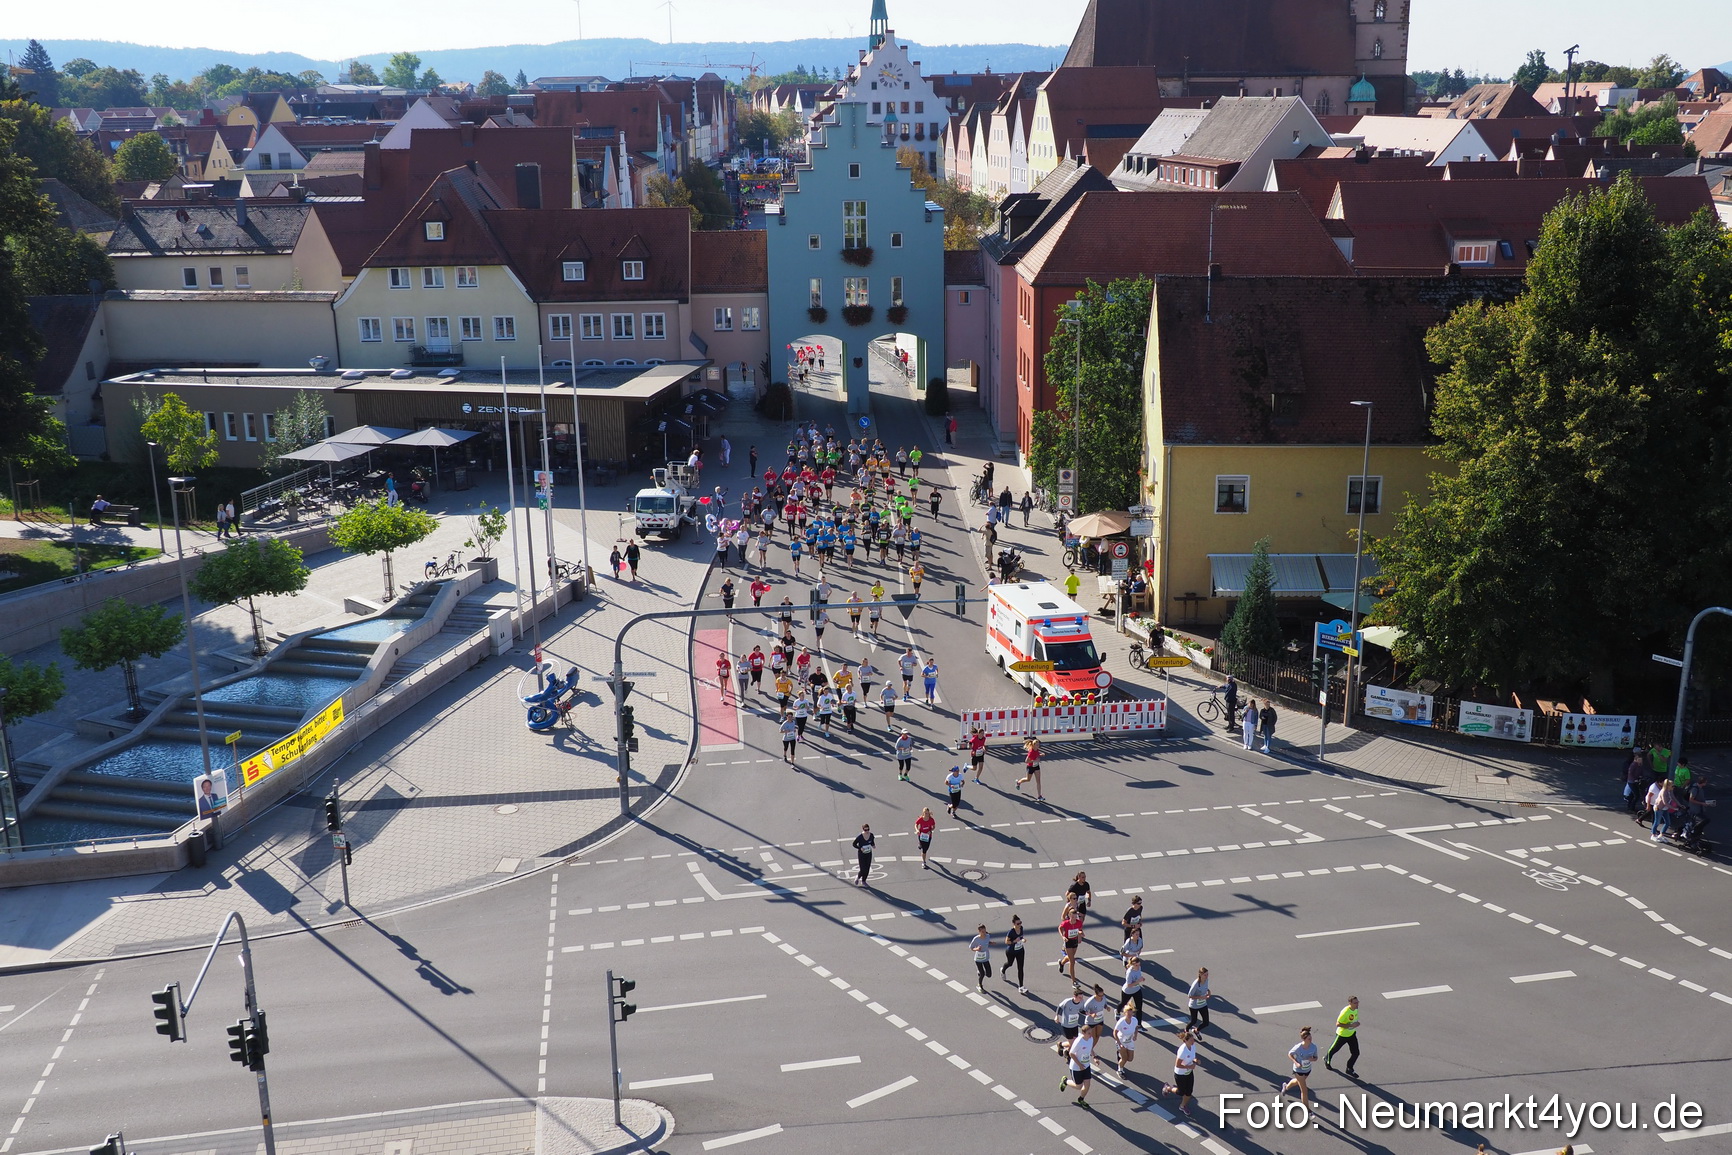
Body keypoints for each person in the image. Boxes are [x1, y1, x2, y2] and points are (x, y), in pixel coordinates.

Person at [1162, 1029, 1199, 1117]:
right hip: (1180, 1074)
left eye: (1193, 1039)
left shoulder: (1193, 1046)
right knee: (1180, 1092)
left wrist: (1195, 1060)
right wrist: (1189, 1066)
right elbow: (1178, 1065)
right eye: (1191, 1040)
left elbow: (1192, 1056)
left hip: (1189, 1073)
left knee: (1189, 1091)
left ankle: (1182, 1106)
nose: (1193, 1041)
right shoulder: (1182, 1050)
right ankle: (1168, 1088)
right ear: (1185, 1041)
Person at [1279, 1027, 1318, 1110]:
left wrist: (1313, 1059)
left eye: (1311, 1037)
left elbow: (1316, 1057)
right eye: (1308, 1038)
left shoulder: (1313, 1047)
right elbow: (1290, 1054)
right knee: (1304, 1091)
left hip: (1307, 1069)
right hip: (1298, 1070)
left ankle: (1286, 1087)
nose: (1310, 1040)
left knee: (1297, 1082)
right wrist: (1296, 1062)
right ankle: (1308, 1110)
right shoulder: (1298, 1047)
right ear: (1304, 1039)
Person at [1323, 995, 1360, 1077]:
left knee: (1356, 1053)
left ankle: (1349, 1068)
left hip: (1352, 1034)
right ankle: (1327, 1060)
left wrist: (1355, 1024)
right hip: (1342, 1035)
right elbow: (1338, 1024)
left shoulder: (1355, 1009)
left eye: (1358, 1002)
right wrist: (1351, 1025)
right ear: (1350, 1003)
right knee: (1333, 1050)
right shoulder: (1345, 1012)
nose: (1357, 1004)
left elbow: (1353, 1020)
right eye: (1355, 1003)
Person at [1061, 1024, 1096, 1109]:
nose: (1090, 1035)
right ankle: (1065, 1081)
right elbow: (1071, 1054)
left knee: (1087, 1084)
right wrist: (1080, 1065)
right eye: (1088, 1033)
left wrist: (1095, 1057)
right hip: (1076, 1067)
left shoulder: (1090, 1039)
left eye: (1091, 1033)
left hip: (1086, 1066)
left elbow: (1090, 1049)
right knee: (1078, 1086)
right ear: (1083, 1033)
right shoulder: (1079, 1041)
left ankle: (1081, 1099)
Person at [1055, 987, 1087, 1060]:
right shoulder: (1067, 1001)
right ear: (1075, 996)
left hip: (1075, 1024)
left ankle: (1061, 1045)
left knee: (1074, 1042)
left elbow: (1081, 1010)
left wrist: (1086, 1013)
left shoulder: (1082, 1002)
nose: (1081, 999)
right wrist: (1057, 1016)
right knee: (1073, 1044)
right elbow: (1060, 1007)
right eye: (1079, 997)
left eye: (1082, 997)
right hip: (1066, 1025)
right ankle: (1068, 1055)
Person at [1056, 903, 1084, 985]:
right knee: (1072, 961)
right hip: (1068, 941)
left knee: (1069, 957)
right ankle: (1074, 981)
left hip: (1075, 941)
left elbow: (1080, 930)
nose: (1074, 919)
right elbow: (1060, 928)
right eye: (1072, 917)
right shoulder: (1066, 923)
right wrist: (1063, 937)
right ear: (1069, 916)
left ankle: (1061, 963)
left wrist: (1080, 934)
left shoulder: (1079, 922)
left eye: (1075, 917)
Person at [1113, 1001, 1140, 1077]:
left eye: (1131, 1013)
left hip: (1129, 1041)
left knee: (1130, 1059)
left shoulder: (1134, 1020)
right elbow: (1115, 1032)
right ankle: (1120, 1070)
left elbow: (1136, 1028)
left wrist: (1135, 1035)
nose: (1130, 1015)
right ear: (1125, 1013)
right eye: (1128, 1013)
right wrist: (1119, 1043)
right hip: (1121, 1042)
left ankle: (1120, 1055)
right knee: (1124, 1059)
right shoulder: (1121, 1022)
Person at [1002, 914, 1028, 992]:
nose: (1020, 925)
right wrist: (1014, 941)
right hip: (1011, 951)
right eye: (1018, 924)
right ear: (1014, 924)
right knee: (1010, 963)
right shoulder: (1011, 932)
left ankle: (1021, 986)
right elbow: (1006, 942)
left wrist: (1022, 939)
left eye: (1020, 923)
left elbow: (1021, 937)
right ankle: (1003, 970)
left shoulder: (1021, 928)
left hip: (1020, 950)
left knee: (1020, 968)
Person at [1185, 967, 1214, 1035]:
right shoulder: (1196, 984)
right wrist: (1200, 997)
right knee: (1194, 1021)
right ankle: (1186, 1030)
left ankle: (1196, 1030)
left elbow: (1205, 988)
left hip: (1203, 1004)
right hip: (1194, 1005)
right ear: (1200, 975)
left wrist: (1208, 991)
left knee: (1206, 1022)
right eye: (1205, 975)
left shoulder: (1206, 980)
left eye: (1207, 974)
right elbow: (1189, 995)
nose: (1206, 976)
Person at [1122, 955, 1146, 1023]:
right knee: (1123, 1003)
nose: (1138, 966)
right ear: (1132, 965)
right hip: (1128, 991)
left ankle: (1139, 1024)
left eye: (1139, 965)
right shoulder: (1129, 973)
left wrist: (1141, 978)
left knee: (1139, 1007)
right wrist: (1138, 981)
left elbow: (1138, 975)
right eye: (1136, 965)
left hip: (1137, 990)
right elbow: (1129, 985)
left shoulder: (1139, 968)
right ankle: (1117, 1011)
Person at [969, 925, 992, 992]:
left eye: (985, 931)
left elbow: (987, 942)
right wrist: (977, 949)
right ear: (979, 932)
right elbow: (971, 947)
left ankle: (980, 972)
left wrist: (991, 943)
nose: (984, 933)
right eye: (982, 932)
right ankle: (979, 985)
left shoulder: (988, 936)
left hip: (985, 958)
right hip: (978, 959)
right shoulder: (976, 939)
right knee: (982, 974)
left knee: (989, 974)